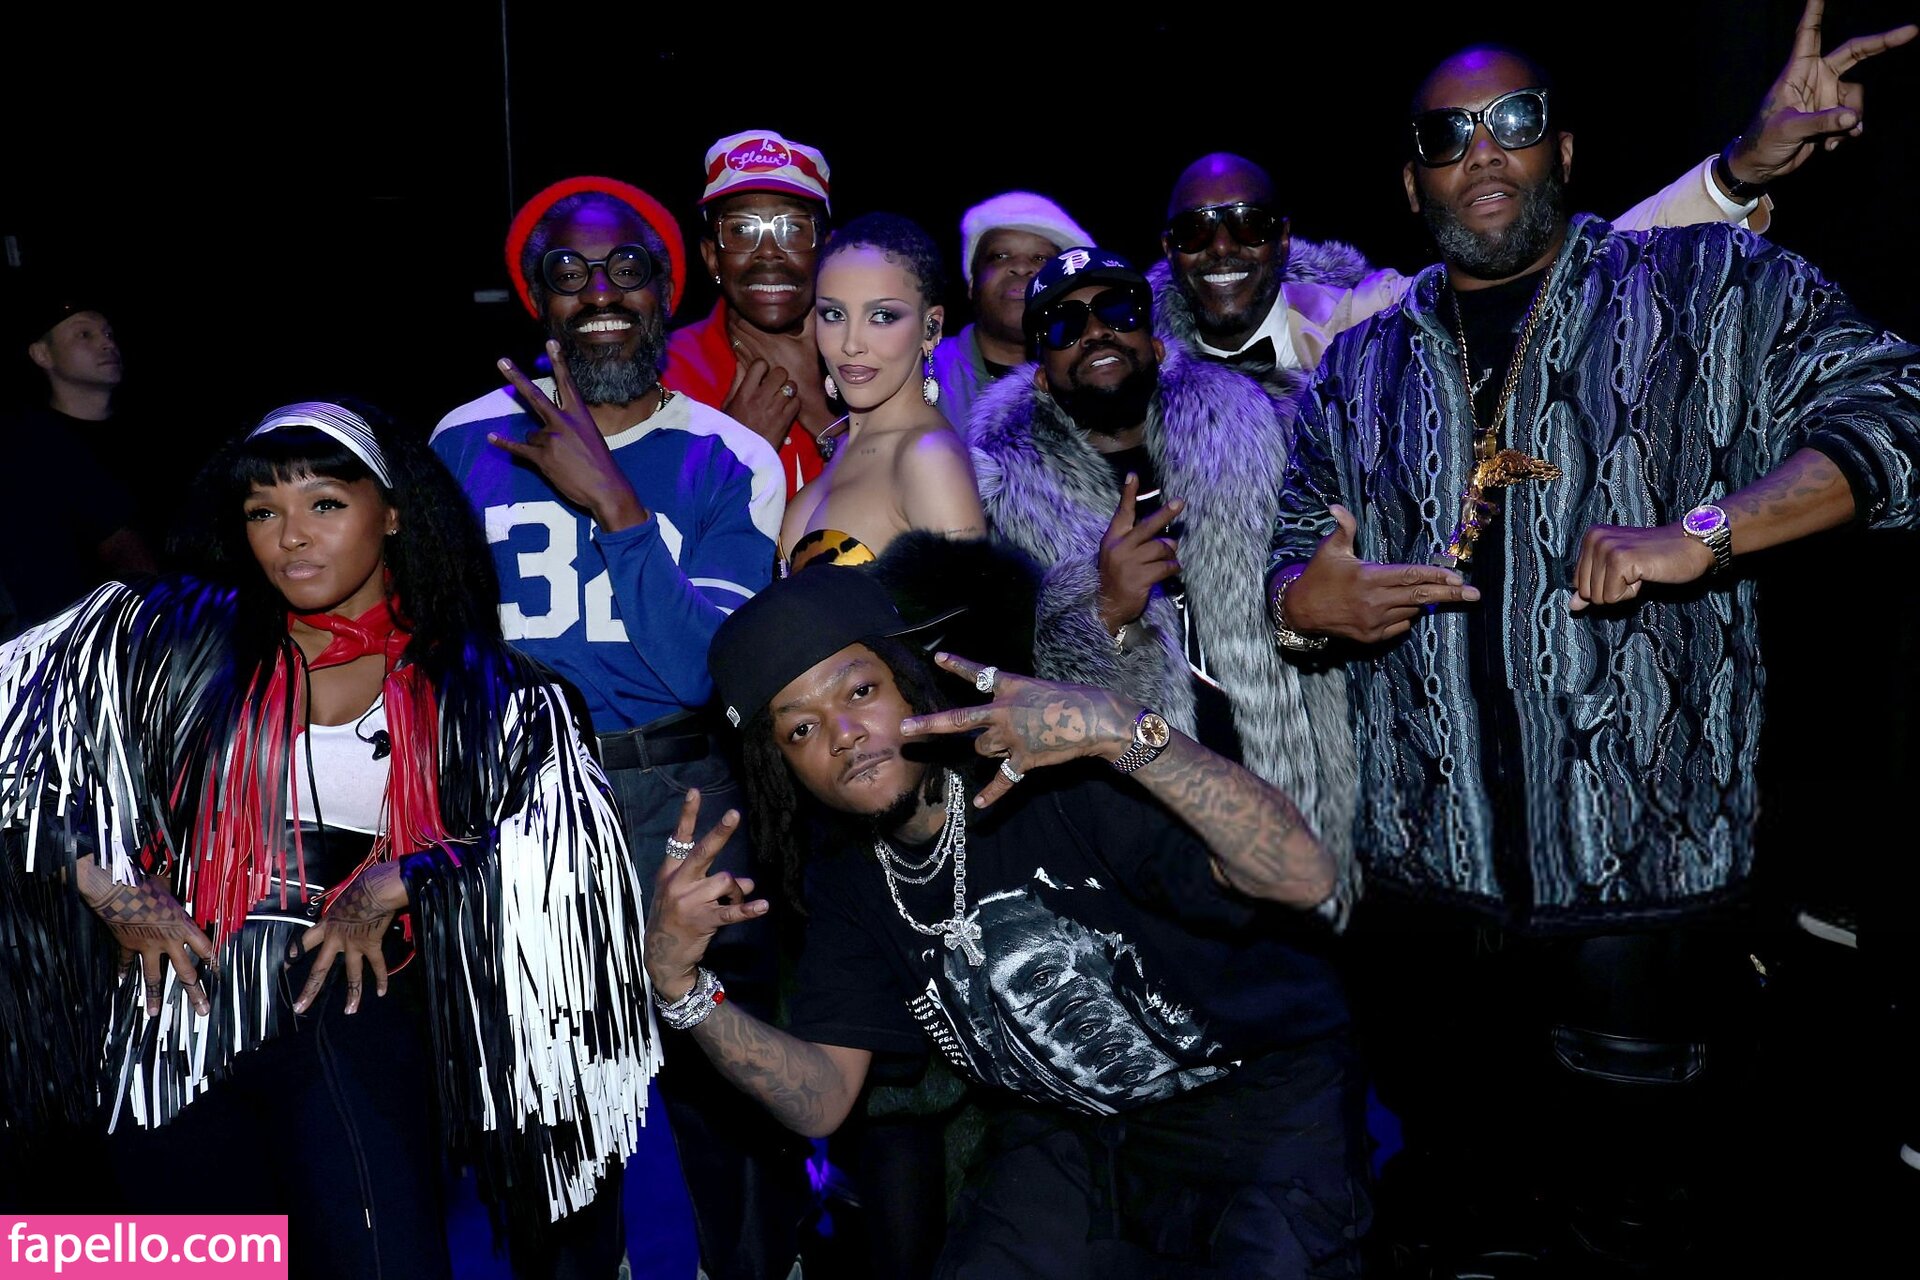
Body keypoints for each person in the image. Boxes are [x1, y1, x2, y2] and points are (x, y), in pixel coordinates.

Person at [1265, 19, 1920, 1274]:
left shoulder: (1703, 290)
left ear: (1562, 150)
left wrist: (1708, 532)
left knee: (1639, 1226)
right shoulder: (1358, 367)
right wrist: (1307, 602)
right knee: (1457, 1216)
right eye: (1447, 137)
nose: (1483, 152)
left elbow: (1896, 412)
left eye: (1513, 121)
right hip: (1428, 911)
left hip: (1645, 904)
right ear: (1412, 180)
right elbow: (1293, 559)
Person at [0, 400, 655, 1278]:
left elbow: (570, 849)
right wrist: (108, 887)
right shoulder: (165, 639)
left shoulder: (487, 690)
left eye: (324, 504)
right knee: (199, 1269)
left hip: (351, 1013)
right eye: (262, 511)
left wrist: (404, 878)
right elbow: (17, 746)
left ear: (393, 514)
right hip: (167, 1029)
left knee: (379, 1261)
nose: (291, 537)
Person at [646, 567, 1368, 1278]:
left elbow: (1302, 875)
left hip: (1253, 1098)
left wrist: (1118, 728)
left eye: (861, 691)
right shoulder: (846, 880)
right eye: (801, 728)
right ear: (783, 766)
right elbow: (824, 1099)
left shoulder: (1058, 772)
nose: (842, 734)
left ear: (910, 681)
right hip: (1074, 1134)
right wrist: (682, 989)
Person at [431, 175, 809, 1280]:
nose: (600, 291)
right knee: (553, 1124)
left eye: (627, 268)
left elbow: (700, 671)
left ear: (664, 291)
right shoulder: (464, 441)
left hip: (682, 798)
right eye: (570, 271)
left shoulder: (729, 456)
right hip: (522, 807)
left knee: (725, 1104)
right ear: (537, 300)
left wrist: (619, 508)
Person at [1152, 0, 1912, 404]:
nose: (1224, 248)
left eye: (1515, 121)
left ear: (1283, 238)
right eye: (1196, 231)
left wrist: (1739, 169)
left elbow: (1601, 257)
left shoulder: (1367, 320)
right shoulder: (1125, 363)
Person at [970, 245, 1356, 885]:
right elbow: (1020, 689)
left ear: (1154, 342)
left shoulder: (1270, 431)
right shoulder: (1000, 506)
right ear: (1040, 373)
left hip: (1309, 797)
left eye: (1117, 310)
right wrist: (1103, 611)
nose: (1096, 330)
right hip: (1152, 837)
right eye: (1064, 325)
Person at [779, 212, 987, 572]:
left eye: (882, 316)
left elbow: (973, 607)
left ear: (931, 328)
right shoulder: (844, 446)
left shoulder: (929, 458)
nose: (851, 344)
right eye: (834, 315)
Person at [665, 129, 842, 498]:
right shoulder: (666, 372)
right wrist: (734, 449)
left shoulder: (872, 356)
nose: (768, 252)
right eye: (742, 229)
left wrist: (823, 415)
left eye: (793, 228)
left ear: (828, 251)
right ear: (712, 258)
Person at [0, 285, 158, 638]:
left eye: (108, 334)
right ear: (42, 354)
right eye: (84, 334)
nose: (106, 343)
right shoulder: (27, 450)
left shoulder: (154, 434)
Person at [928, 191, 1092, 431]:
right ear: (972, 284)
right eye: (1000, 256)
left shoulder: (1091, 374)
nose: (1021, 267)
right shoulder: (916, 372)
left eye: (1040, 258)